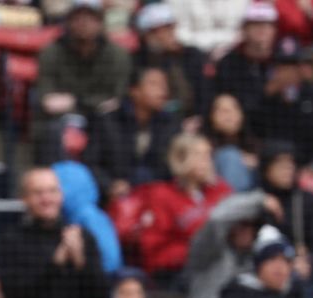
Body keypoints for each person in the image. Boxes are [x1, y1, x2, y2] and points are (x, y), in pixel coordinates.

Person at [0, 167, 107, 298]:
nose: (47, 199)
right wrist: (55, 264)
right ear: (24, 198)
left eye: (52, 191)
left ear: (61, 195)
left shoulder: (81, 237)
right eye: (38, 193)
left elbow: (101, 294)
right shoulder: (10, 240)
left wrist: (80, 260)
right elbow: (14, 295)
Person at [134, 133, 231, 280]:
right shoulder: (161, 195)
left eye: (208, 155)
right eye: (199, 156)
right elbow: (154, 251)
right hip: (178, 273)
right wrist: (195, 252)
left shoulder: (219, 189)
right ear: (180, 159)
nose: (206, 162)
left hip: (222, 265)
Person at [34, 0, 131, 137]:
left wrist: (75, 101)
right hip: (61, 117)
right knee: (51, 129)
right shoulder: (51, 52)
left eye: (91, 18)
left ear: (100, 22)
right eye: (77, 17)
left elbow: (116, 99)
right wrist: (93, 103)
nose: (83, 23)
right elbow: (47, 100)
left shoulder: (117, 55)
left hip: (103, 118)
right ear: (68, 22)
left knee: (111, 125)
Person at [86, 67, 178, 200]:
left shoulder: (171, 123)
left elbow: (172, 167)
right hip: (113, 198)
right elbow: (91, 163)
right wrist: (110, 185)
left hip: (158, 197)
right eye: (154, 84)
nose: (163, 90)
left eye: (164, 84)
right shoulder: (107, 122)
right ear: (134, 90)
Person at [182, 191, 270, 298]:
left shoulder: (258, 260)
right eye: (239, 226)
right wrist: (260, 199)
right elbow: (216, 219)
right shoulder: (208, 252)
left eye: (250, 226)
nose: (244, 231)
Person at [248, 38, 313, 167]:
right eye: (283, 66)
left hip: (306, 165)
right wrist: (266, 96)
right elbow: (251, 129)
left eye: (293, 66)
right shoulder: (264, 96)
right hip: (270, 166)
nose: (288, 71)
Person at [132, 3, 207, 119]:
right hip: (154, 121)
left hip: (191, 119)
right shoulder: (137, 61)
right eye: (163, 29)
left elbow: (202, 93)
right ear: (148, 35)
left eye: (171, 27)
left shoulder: (192, 55)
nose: (170, 33)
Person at [211, 2, 279, 118]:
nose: (262, 30)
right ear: (244, 29)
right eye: (255, 25)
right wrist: (268, 90)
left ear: (275, 30)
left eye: (267, 25)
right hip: (244, 128)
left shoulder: (283, 60)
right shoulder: (229, 64)